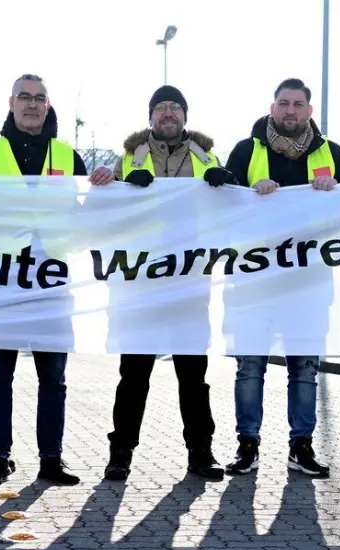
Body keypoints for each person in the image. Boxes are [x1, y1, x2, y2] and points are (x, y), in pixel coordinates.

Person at [0, 75, 88, 487]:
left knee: (53, 379)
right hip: (1, 283)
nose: (31, 104)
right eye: (24, 97)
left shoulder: (68, 155)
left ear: (48, 104)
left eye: (38, 98)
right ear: (11, 103)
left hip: (51, 284)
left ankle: (51, 460)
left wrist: (102, 187)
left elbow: (85, 215)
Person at [90, 84, 231, 482]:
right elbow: (99, 213)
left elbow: (228, 210)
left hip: (188, 283)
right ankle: (120, 453)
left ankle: (200, 452)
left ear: (186, 115)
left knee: (193, 375)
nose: (168, 113)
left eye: (175, 107)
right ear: (150, 116)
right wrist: (109, 184)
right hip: (139, 285)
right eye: (160, 108)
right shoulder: (126, 159)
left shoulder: (207, 158)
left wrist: (228, 185)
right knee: (134, 374)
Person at [221, 77, 340, 479]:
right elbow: (223, 204)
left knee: (305, 368)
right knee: (249, 368)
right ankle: (247, 445)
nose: (290, 110)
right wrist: (244, 188)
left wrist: (336, 190)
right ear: (272, 107)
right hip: (253, 280)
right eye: (283, 103)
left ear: (309, 111)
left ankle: (301, 446)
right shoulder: (246, 150)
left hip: (308, 282)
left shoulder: (333, 153)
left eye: (298, 104)